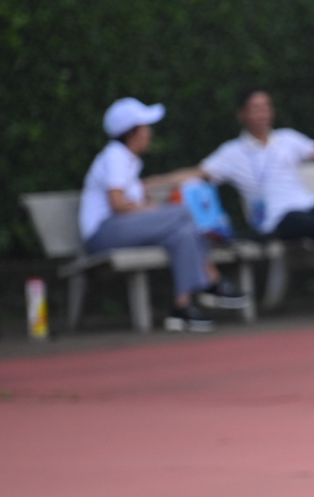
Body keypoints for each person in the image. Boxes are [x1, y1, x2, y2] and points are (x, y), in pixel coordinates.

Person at [79, 98, 249, 333]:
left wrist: (149, 205)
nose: (149, 133)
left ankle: (182, 307)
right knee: (182, 213)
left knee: (182, 233)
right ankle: (211, 280)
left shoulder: (129, 161)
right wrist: (153, 209)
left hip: (120, 228)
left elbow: (132, 203)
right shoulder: (115, 155)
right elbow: (117, 204)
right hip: (103, 233)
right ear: (132, 133)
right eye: (145, 128)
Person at [201, 89, 314, 314]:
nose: (263, 113)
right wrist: (158, 181)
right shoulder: (232, 152)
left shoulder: (288, 138)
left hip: (308, 208)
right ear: (242, 114)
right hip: (277, 221)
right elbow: (199, 173)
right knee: (308, 221)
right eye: (256, 109)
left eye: (266, 107)